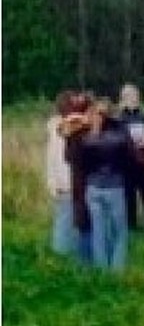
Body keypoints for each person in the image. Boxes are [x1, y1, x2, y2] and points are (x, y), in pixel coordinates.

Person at [79, 97, 133, 271]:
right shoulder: (121, 132)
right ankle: (117, 269)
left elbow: (82, 164)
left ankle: (102, 269)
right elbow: (129, 158)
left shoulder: (87, 136)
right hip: (114, 186)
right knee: (119, 231)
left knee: (98, 230)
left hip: (93, 186)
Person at [117, 84, 144, 235]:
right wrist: (130, 143)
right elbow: (118, 142)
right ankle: (131, 228)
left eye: (136, 96)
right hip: (127, 163)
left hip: (143, 161)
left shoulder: (143, 117)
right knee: (129, 198)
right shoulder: (119, 119)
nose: (135, 99)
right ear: (123, 99)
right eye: (131, 96)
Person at [60, 91, 94, 264]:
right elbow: (70, 156)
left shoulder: (76, 130)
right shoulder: (72, 130)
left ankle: (85, 259)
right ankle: (86, 259)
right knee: (84, 219)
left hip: (84, 181)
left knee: (84, 218)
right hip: (82, 182)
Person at [46, 90, 77, 257]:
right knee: (66, 220)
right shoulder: (64, 128)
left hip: (58, 181)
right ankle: (62, 253)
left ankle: (60, 252)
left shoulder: (53, 128)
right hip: (67, 182)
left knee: (62, 218)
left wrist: (51, 182)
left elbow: (50, 159)